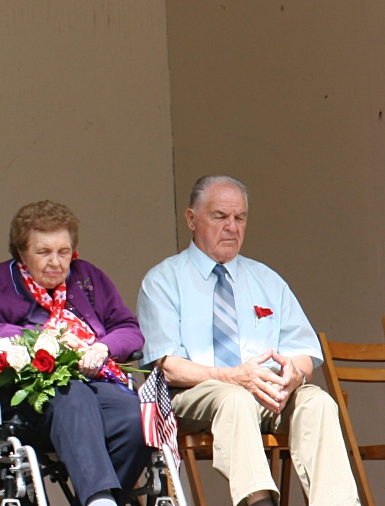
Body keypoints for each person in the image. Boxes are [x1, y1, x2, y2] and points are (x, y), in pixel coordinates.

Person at [139, 176, 358, 506]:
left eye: (240, 217)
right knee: (235, 398)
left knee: (318, 402)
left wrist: (294, 375)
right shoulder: (164, 280)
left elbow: (303, 352)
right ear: (191, 219)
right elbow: (166, 365)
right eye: (220, 216)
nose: (232, 227)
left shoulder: (266, 279)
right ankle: (259, 502)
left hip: (268, 392)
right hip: (196, 393)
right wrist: (231, 376)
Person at [0, 201, 149, 506]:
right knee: (72, 395)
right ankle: (99, 499)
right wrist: (35, 340)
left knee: (134, 416)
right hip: (29, 387)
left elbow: (128, 329)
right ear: (21, 252)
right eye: (43, 252)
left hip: (93, 378)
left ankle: (104, 499)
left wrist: (102, 347)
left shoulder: (87, 278)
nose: (55, 262)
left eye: (63, 252)